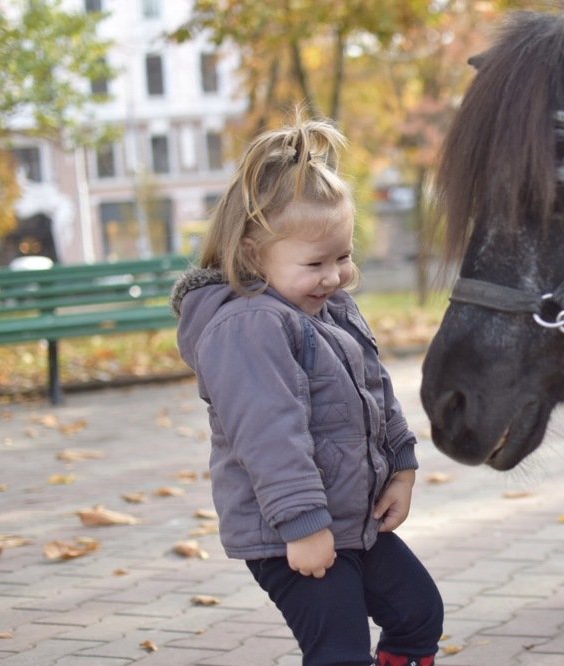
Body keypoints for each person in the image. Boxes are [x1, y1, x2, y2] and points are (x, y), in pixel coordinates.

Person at [170, 116, 442, 666]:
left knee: (417, 613)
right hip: (290, 532)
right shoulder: (248, 327)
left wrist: (402, 469)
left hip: (353, 519)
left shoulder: (329, 308)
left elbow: (376, 392)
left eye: (342, 257)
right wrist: (305, 527)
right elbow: (269, 436)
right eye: (315, 263)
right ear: (252, 255)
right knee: (339, 650)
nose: (335, 276)